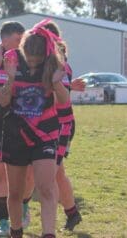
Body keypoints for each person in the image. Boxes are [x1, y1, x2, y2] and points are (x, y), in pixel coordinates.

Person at [0, 20, 69, 238]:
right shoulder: (10, 60)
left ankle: (49, 234)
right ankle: (15, 231)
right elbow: (2, 102)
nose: (32, 64)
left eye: (36, 61)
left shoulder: (53, 62)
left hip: (44, 135)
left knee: (46, 188)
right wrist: (9, 79)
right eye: (29, 59)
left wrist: (57, 83)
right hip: (15, 134)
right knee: (16, 192)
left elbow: (64, 103)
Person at [42, 21, 84, 231]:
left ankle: (25, 215)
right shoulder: (43, 62)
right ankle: (72, 213)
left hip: (61, 125)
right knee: (57, 173)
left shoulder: (60, 64)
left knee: (50, 173)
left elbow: (61, 95)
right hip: (45, 124)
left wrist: (68, 85)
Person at [0, 21, 25, 237]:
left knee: (24, 177)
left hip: (19, 123)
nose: (22, 43)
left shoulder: (26, 60)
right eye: (18, 39)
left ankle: (23, 211)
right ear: (5, 40)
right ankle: (3, 222)